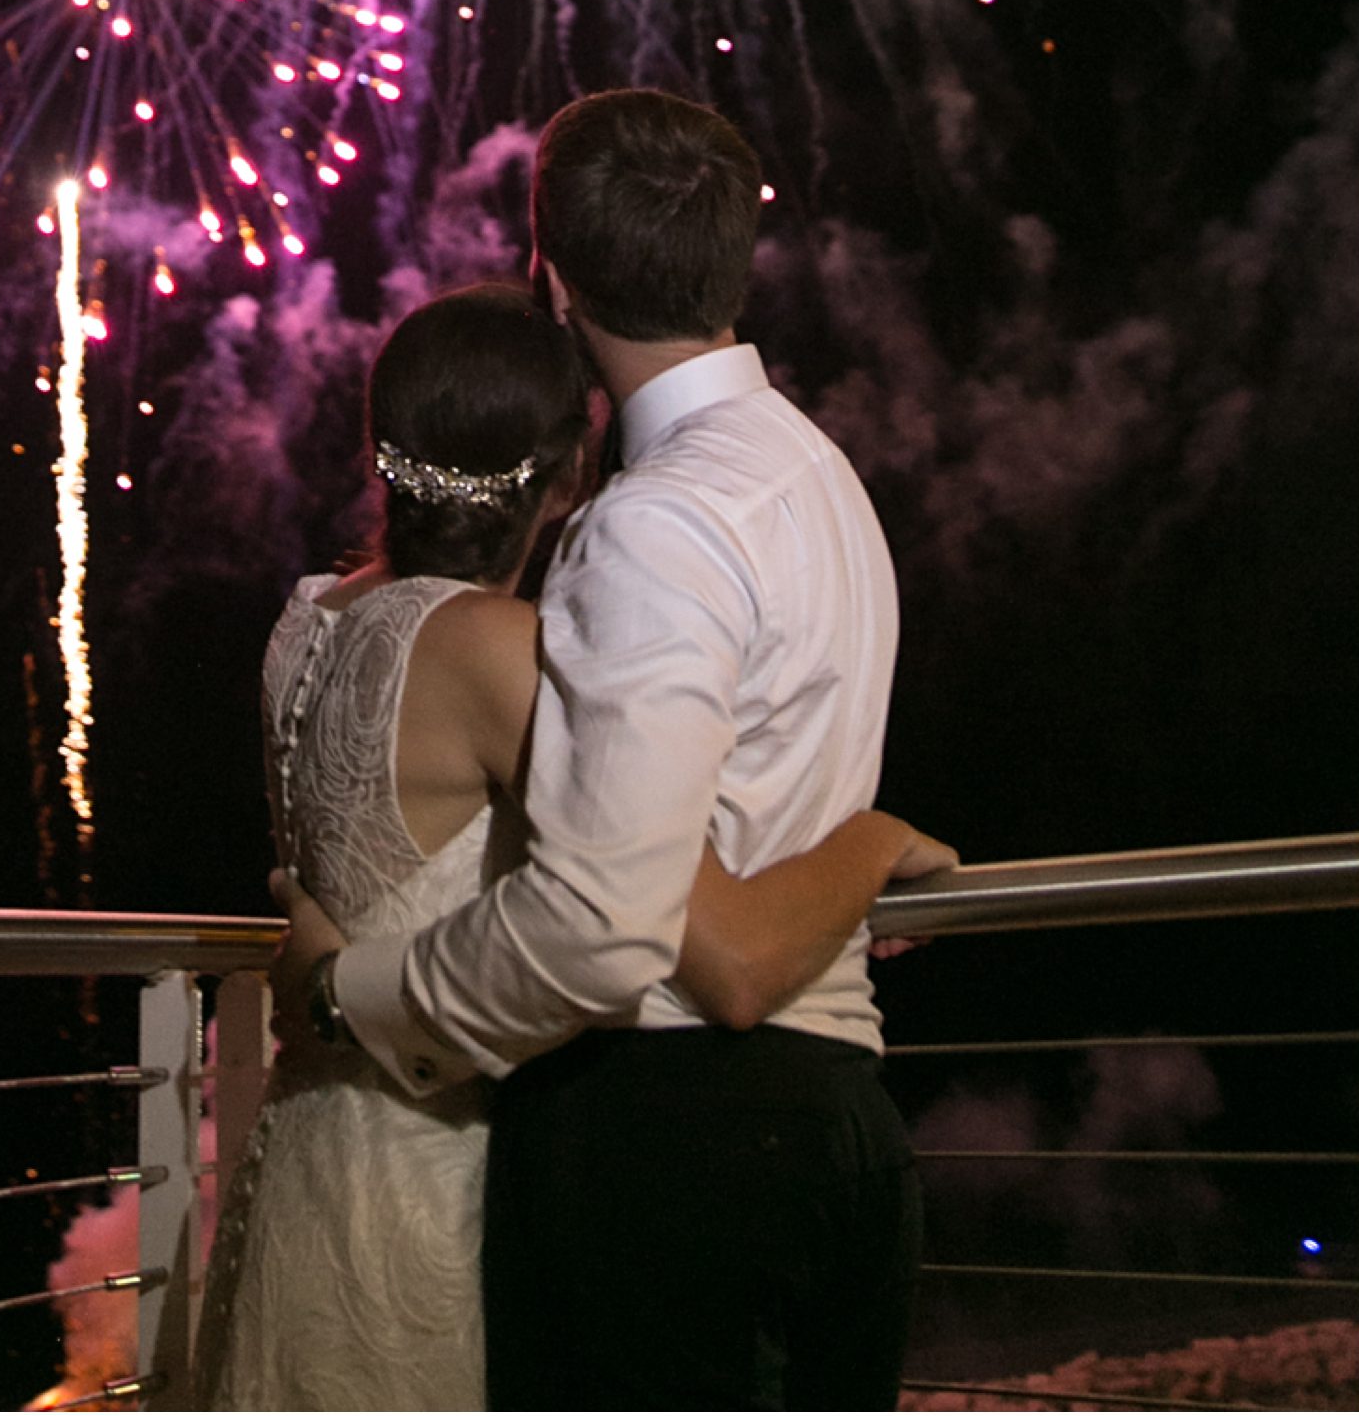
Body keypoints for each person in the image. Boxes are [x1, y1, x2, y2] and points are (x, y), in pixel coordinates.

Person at [274, 90, 928, 1412]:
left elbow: (601, 921)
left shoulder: (654, 523)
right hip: (840, 1118)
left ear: (554, 280)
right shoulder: (818, 474)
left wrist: (349, 994)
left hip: (675, 1141)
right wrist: (859, 857)